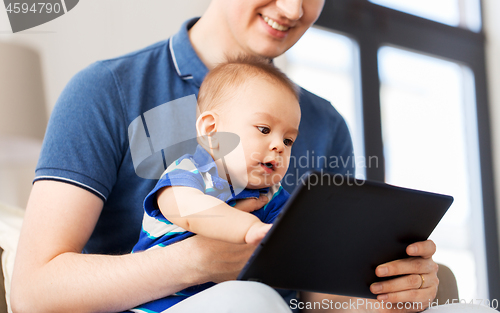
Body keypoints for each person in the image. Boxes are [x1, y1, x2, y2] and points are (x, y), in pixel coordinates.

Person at [11, 1, 492, 312]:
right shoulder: (107, 90)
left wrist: (388, 292)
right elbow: (32, 294)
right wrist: (197, 260)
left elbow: (320, 293)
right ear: (209, 129)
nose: (292, 8)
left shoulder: (324, 125)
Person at [128, 57, 301, 312]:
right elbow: (188, 210)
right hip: (157, 306)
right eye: (264, 130)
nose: (278, 146)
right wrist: (250, 228)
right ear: (212, 131)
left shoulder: (274, 195)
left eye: (288, 141)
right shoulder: (189, 172)